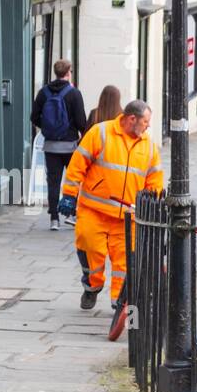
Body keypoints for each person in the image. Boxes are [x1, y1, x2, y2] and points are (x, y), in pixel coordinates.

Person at [58, 100, 164, 340]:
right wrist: (69, 194)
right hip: (94, 209)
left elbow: (155, 178)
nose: (148, 127)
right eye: (145, 122)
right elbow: (78, 164)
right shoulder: (101, 132)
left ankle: (120, 304)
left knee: (125, 263)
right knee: (88, 245)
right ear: (131, 119)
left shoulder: (149, 146)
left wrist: (154, 203)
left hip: (128, 217)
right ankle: (92, 284)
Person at [31, 59, 88, 231]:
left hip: (50, 146)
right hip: (70, 145)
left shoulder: (43, 93)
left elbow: (34, 117)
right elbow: (81, 122)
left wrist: (49, 128)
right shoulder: (74, 94)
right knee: (72, 181)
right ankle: (71, 214)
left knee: (53, 182)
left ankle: (54, 219)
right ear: (69, 72)